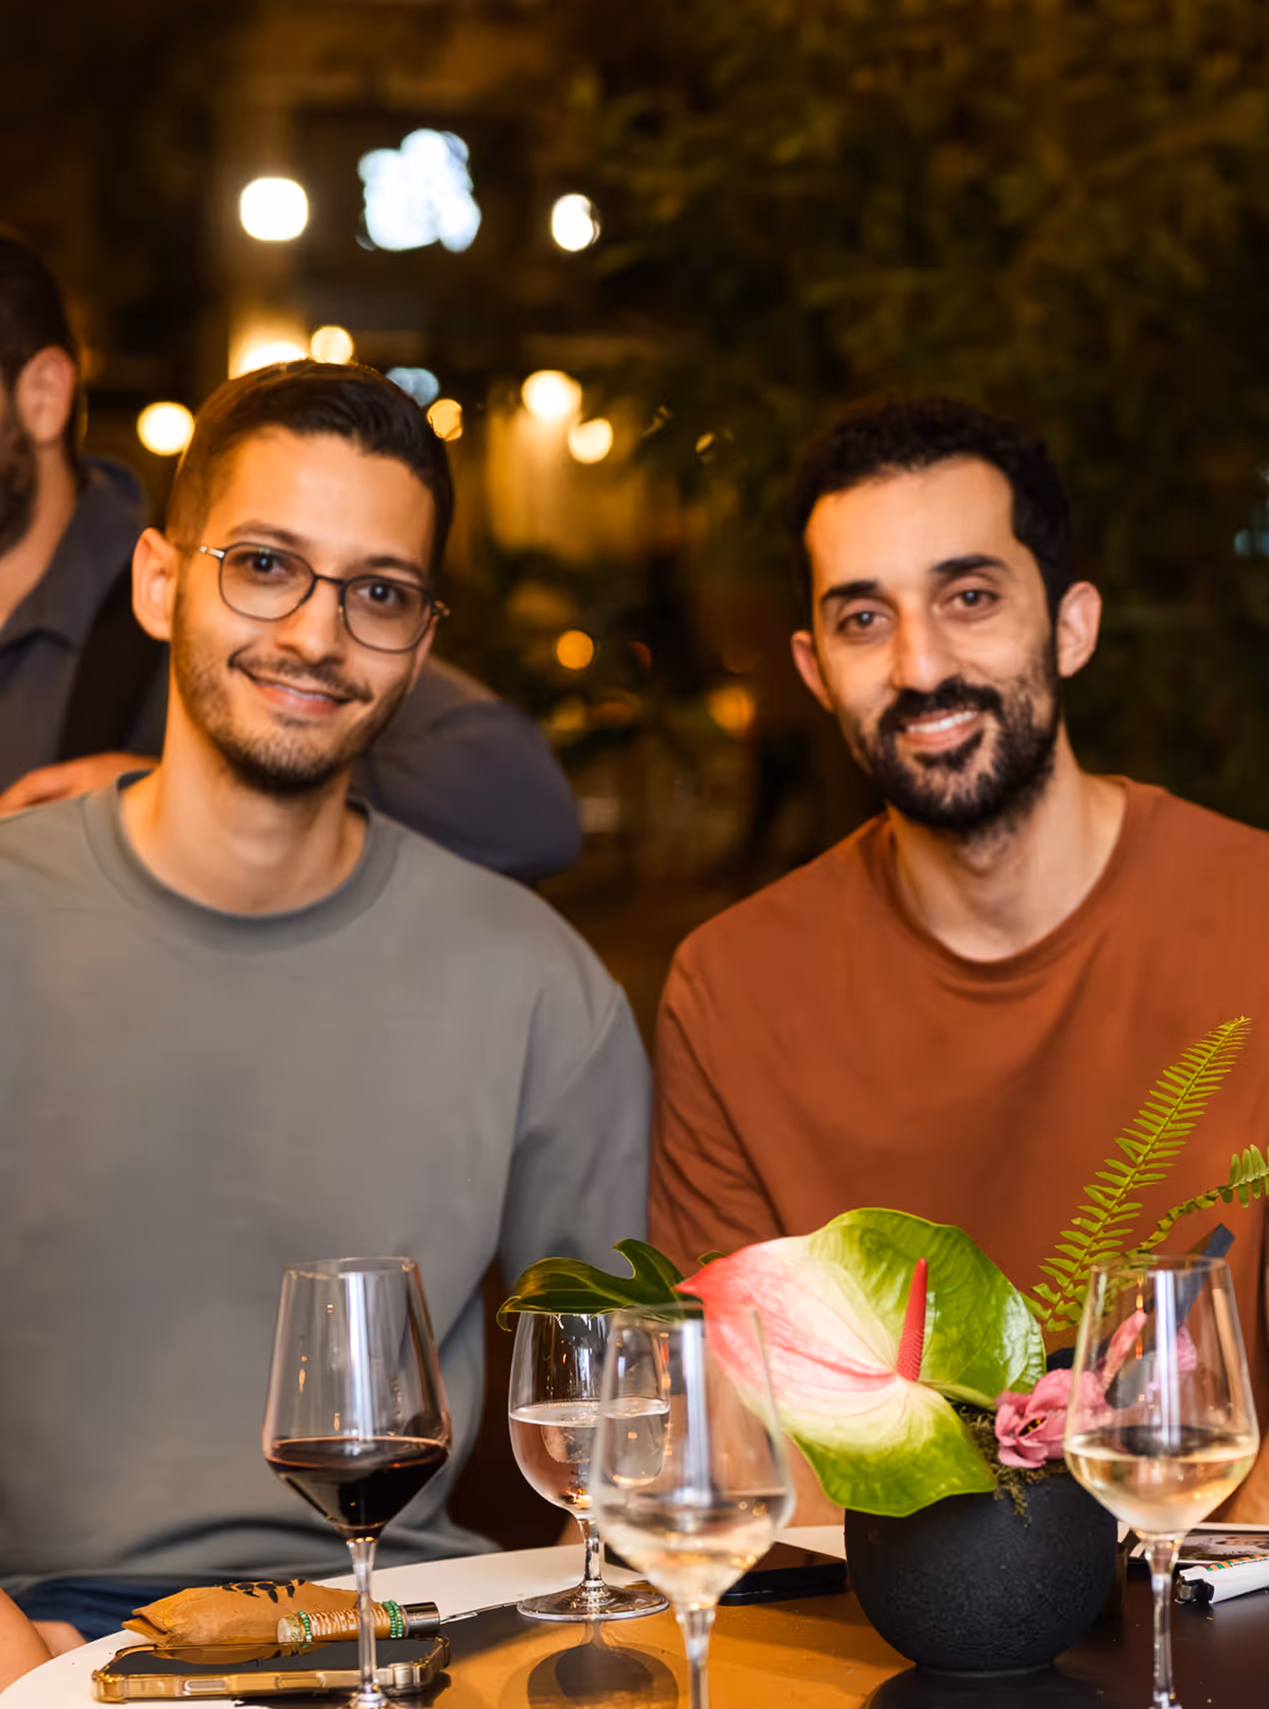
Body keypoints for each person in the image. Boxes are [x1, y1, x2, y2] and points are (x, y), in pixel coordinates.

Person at [0, 360, 649, 1642]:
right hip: (42, 1636)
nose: (315, 633)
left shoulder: (541, 990)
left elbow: (622, 1457)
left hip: (404, 1624)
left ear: (421, 647)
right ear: (157, 580)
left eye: (379, 593)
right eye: (263, 565)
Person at [649, 395, 1269, 1521]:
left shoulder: (1255, 920)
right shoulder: (731, 987)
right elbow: (726, 1457)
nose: (921, 663)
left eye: (969, 597)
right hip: (851, 1652)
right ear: (814, 668)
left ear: (1071, 626)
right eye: (862, 620)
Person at [0, 229, 580, 881]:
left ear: (43, 394)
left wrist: (187, 796)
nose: (310, 636)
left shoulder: (218, 588)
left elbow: (528, 811)